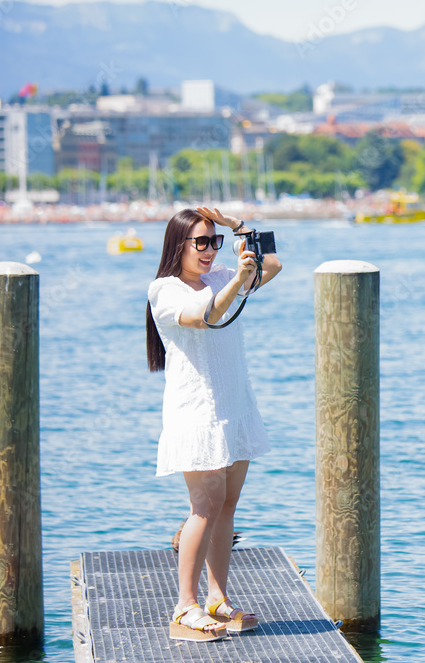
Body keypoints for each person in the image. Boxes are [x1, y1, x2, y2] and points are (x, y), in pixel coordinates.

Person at [146, 207, 282, 641]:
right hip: (197, 413)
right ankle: (184, 608)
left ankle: (217, 598)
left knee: (227, 505)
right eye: (200, 242)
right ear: (178, 246)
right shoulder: (164, 291)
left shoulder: (224, 276)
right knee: (203, 507)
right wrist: (239, 279)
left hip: (234, 406)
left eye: (213, 241)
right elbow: (207, 315)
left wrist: (240, 228)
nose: (209, 250)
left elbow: (275, 263)